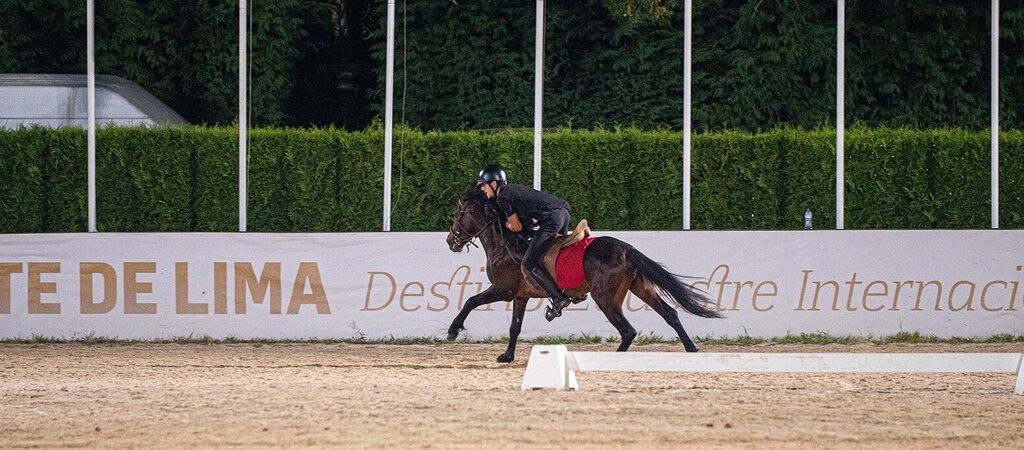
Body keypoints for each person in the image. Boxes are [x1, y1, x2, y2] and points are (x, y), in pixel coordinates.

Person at [476, 164, 573, 321]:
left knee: (528, 262)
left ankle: (558, 298)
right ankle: (572, 289)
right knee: (556, 257)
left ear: (494, 184)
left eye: (484, 185)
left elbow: (516, 227)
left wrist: (507, 225)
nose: (482, 189)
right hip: (564, 213)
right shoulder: (513, 191)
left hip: (553, 218)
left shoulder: (503, 198)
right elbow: (532, 218)